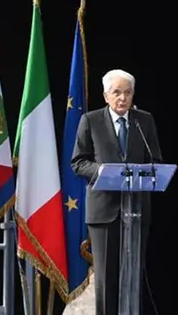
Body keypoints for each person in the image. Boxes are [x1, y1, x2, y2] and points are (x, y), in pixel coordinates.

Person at [71, 69, 163, 315]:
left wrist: (142, 171)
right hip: (104, 212)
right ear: (106, 96)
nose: (123, 98)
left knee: (133, 274)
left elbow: (154, 161)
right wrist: (103, 171)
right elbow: (78, 162)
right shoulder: (90, 121)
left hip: (137, 210)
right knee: (106, 278)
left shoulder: (144, 121)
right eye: (117, 93)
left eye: (128, 93)